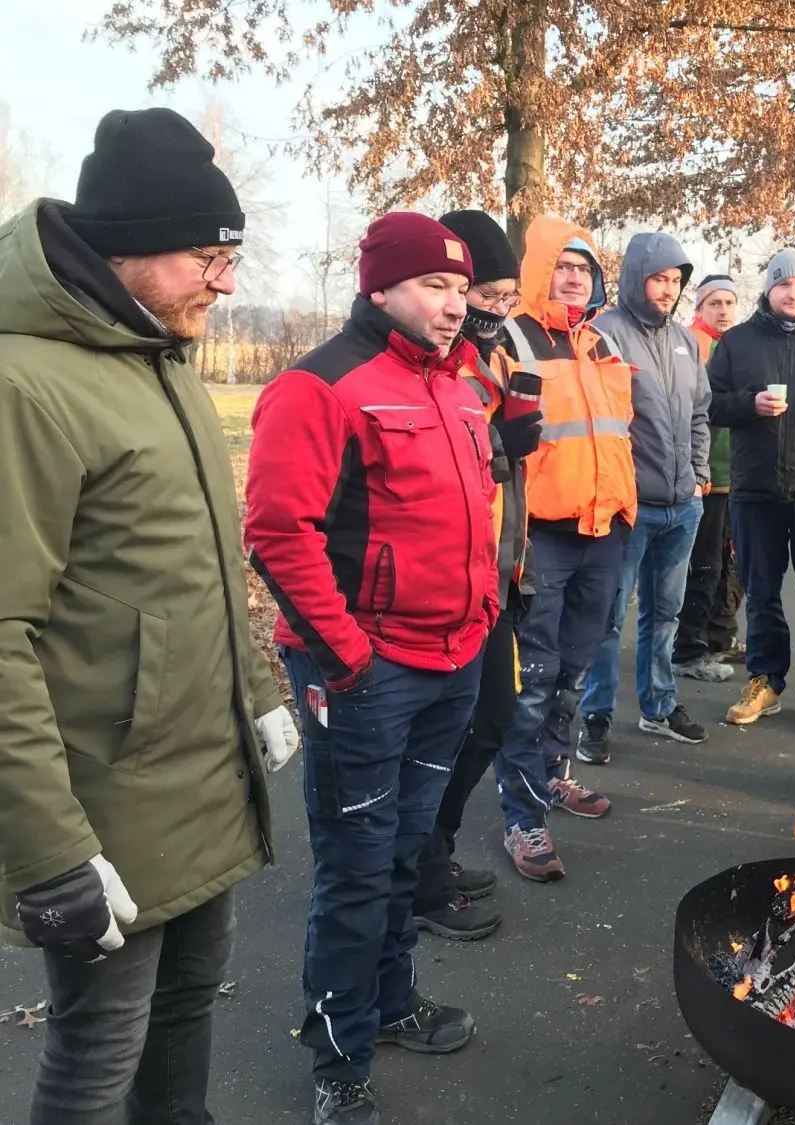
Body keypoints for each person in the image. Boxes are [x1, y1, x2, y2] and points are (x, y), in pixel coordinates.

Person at [0, 107, 295, 1125]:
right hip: (103, 806)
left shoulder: (158, 359)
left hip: (201, 778)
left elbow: (203, 567)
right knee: (97, 1058)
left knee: (185, 1016)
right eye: (206, 255)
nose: (225, 280)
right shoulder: (25, 385)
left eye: (230, 254)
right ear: (127, 246)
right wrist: (49, 849)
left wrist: (257, 692)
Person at [245, 211, 499, 1123]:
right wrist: (346, 655)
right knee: (355, 870)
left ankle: (391, 1003)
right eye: (435, 286)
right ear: (380, 285)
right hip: (366, 675)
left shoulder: (463, 386)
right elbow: (279, 533)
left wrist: (484, 612)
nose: (453, 305)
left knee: (405, 854)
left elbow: (475, 508)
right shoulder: (319, 388)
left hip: (452, 661)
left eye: (461, 289)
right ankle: (338, 1056)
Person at [409, 209, 542, 941]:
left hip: (495, 578)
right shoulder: (433, 362)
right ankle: (419, 878)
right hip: (437, 594)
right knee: (444, 736)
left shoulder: (486, 359)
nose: (488, 309)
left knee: (488, 724)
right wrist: (497, 439)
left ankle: (437, 851)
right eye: (479, 292)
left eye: (501, 296)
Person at [493, 217, 634, 879]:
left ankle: (553, 775)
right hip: (540, 537)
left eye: (584, 266)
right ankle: (522, 818)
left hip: (603, 531)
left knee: (576, 669)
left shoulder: (601, 344)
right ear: (536, 270)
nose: (574, 276)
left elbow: (618, 434)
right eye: (562, 265)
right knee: (534, 680)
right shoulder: (511, 339)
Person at [578, 232, 711, 756]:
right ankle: (596, 716)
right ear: (636, 277)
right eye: (659, 279)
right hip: (628, 509)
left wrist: (699, 473)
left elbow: (700, 411)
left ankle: (659, 706)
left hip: (683, 506)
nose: (668, 290)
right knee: (609, 617)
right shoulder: (602, 336)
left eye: (676, 282)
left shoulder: (685, 341)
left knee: (666, 613)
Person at [708, 249, 795, 734]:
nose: (793, 292)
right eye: (783, 284)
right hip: (755, 490)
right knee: (762, 593)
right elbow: (711, 403)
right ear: (768, 290)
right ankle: (765, 681)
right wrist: (749, 404)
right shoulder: (738, 342)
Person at [675, 275, 744, 682]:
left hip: (738, 475)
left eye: (729, 303)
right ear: (699, 309)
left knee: (731, 561)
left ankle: (720, 636)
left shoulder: (739, 346)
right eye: (714, 303)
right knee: (704, 564)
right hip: (706, 476)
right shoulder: (690, 346)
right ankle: (689, 647)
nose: (722, 311)